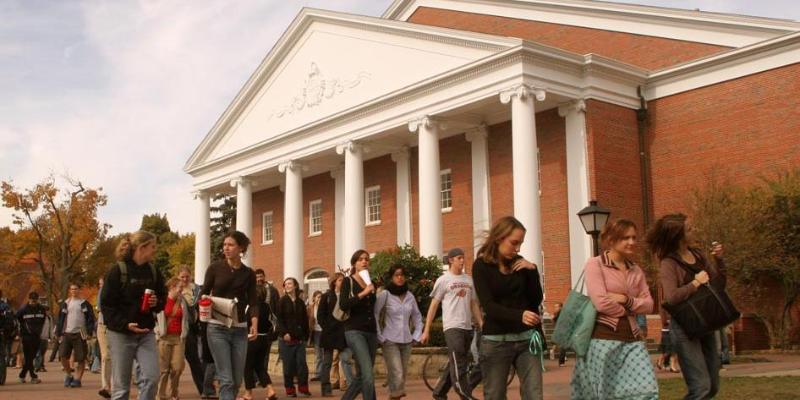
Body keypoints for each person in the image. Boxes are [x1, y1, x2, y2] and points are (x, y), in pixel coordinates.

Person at [570, 219, 658, 399]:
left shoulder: (636, 270)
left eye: (634, 237)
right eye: (626, 238)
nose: (632, 242)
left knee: (647, 390)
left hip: (633, 339)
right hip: (602, 339)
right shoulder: (595, 264)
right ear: (611, 240)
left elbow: (649, 305)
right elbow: (601, 302)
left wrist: (626, 300)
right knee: (605, 394)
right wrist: (632, 309)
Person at [648, 213, 725, 400]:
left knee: (713, 386)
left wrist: (719, 260)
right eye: (689, 229)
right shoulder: (669, 263)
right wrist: (695, 284)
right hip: (684, 328)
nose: (694, 230)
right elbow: (671, 297)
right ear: (678, 236)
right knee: (701, 387)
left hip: (706, 323)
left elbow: (718, 285)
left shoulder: (698, 255)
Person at [472, 216, 544, 400]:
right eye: (514, 243)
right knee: (495, 395)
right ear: (499, 238)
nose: (518, 248)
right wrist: (519, 315)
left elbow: (535, 300)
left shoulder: (521, 263)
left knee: (534, 395)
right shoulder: (481, 266)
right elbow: (489, 306)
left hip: (527, 340)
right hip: (496, 341)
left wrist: (532, 271)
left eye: (520, 243)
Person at [101, 230, 167, 400]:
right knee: (122, 388)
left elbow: (163, 297)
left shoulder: (153, 271)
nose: (155, 250)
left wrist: (156, 303)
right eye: (153, 247)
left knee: (152, 379)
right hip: (121, 334)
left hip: (145, 333)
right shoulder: (117, 271)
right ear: (142, 248)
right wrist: (124, 324)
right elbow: (106, 306)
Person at [200, 231, 259, 400]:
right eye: (225, 244)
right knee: (226, 379)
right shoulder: (215, 268)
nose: (226, 248)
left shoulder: (249, 273)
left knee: (236, 380)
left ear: (240, 248)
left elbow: (253, 302)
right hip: (217, 327)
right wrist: (205, 302)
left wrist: (254, 324)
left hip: (240, 328)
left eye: (230, 245)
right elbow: (203, 294)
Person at [420, 247, 483, 400]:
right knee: (459, 362)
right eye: (459, 258)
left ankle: (439, 392)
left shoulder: (468, 280)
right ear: (451, 260)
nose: (462, 260)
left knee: (456, 360)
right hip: (452, 326)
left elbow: (473, 304)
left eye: (463, 257)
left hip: (467, 327)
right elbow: (434, 306)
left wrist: (481, 323)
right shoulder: (443, 280)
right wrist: (426, 330)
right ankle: (464, 393)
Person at [375, 264, 423, 400]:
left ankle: (393, 395)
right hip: (389, 340)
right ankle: (395, 394)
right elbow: (375, 314)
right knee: (397, 372)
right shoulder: (385, 295)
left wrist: (416, 335)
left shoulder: (410, 296)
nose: (400, 277)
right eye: (397, 275)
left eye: (402, 275)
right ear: (391, 278)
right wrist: (380, 336)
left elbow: (417, 317)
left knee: (402, 374)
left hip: (407, 341)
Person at [339, 249, 378, 400]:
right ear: (354, 263)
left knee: (362, 375)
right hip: (354, 331)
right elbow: (343, 304)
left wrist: (371, 290)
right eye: (361, 259)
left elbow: (372, 307)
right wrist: (363, 293)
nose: (364, 262)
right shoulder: (348, 281)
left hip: (371, 331)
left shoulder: (371, 282)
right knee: (368, 374)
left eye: (367, 259)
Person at [156, 277, 191, 400]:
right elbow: (155, 318)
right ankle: (160, 395)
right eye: (180, 287)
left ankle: (174, 392)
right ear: (172, 287)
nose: (182, 290)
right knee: (163, 370)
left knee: (177, 367)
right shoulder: (162, 300)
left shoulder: (182, 301)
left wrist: (185, 332)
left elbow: (187, 317)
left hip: (178, 338)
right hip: (164, 338)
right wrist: (157, 332)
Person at [276, 277, 311, 397]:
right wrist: (284, 333)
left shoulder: (301, 303)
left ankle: (303, 388)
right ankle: (290, 389)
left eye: (290, 283)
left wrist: (306, 336)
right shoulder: (282, 301)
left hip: (299, 339)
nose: (287, 286)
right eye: (285, 284)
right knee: (288, 366)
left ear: (295, 286)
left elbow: (305, 321)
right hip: (286, 340)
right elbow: (279, 320)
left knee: (302, 365)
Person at [57, 282, 96, 388]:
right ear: (70, 291)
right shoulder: (65, 303)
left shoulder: (84, 303)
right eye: (72, 289)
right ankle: (69, 374)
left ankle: (77, 379)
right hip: (67, 333)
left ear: (79, 290)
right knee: (63, 356)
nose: (74, 291)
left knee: (81, 358)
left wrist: (89, 332)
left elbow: (90, 319)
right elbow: (60, 319)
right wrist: (58, 332)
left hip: (80, 333)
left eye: (76, 289)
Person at [242, 284, 278, 400]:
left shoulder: (250, 306)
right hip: (264, 339)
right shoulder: (267, 307)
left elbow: (245, 321)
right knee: (259, 366)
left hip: (251, 338)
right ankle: (270, 389)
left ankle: (248, 394)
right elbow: (272, 322)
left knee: (247, 367)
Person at [317, 273, 350, 396]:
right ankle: (326, 389)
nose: (342, 282)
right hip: (329, 334)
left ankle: (347, 384)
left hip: (343, 333)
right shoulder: (326, 296)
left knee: (346, 360)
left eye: (344, 280)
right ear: (334, 282)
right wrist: (327, 327)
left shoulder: (347, 296)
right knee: (327, 362)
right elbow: (320, 315)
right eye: (340, 280)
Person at [177, 266, 205, 397]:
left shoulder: (197, 289)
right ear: (178, 277)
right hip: (177, 328)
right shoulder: (175, 289)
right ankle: (173, 391)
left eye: (187, 276)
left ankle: (203, 389)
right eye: (182, 277)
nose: (184, 279)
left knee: (195, 360)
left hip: (193, 328)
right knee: (176, 364)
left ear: (191, 276)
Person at [16, 291, 46, 384]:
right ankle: (33, 376)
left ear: (37, 300)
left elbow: (43, 320)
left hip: (37, 336)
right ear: (29, 299)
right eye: (32, 300)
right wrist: (21, 331)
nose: (33, 302)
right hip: (26, 336)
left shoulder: (41, 309)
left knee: (31, 356)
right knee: (29, 356)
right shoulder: (23, 309)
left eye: (35, 300)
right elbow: (17, 319)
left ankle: (22, 374)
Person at [96, 277, 113, 398]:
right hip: (104, 326)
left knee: (117, 357)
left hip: (119, 327)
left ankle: (116, 386)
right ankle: (106, 386)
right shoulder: (102, 291)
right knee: (106, 355)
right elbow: (100, 307)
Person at [308, 290, 323, 382]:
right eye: (318, 297)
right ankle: (319, 374)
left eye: (321, 297)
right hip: (316, 332)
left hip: (324, 332)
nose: (319, 299)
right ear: (314, 298)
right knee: (318, 354)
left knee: (325, 353)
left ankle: (325, 374)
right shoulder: (310, 308)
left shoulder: (325, 307)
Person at [551, 302, 567, 367]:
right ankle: (561, 361)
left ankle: (561, 359)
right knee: (562, 346)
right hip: (560, 331)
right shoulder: (557, 314)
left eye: (557, 307)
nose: (555, 308)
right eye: (555, 307)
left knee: (562, 346)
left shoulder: (562, 313)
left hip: (562, 330)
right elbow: (554, 322)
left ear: (561, 307)